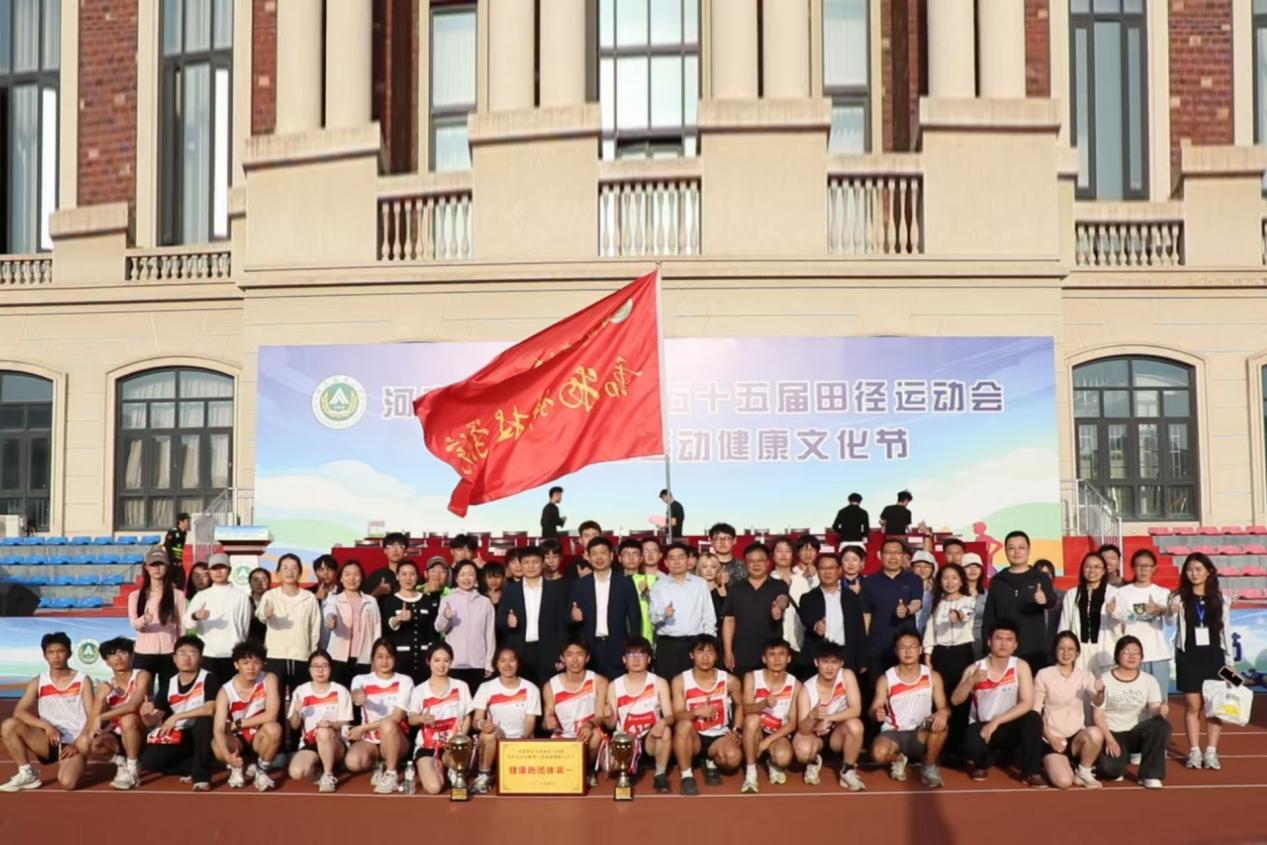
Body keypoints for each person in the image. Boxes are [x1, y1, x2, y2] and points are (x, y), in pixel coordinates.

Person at [952, 619, 1045, 787]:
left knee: (1032, 718)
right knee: (970, 742)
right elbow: (955, 700)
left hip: (1008, 724)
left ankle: (1032, 772)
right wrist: (971, 682)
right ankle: (982, 764)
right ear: (989, 642)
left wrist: (996, 722)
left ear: (1015, 645)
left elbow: (1027, 702)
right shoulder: (975, 668)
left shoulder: (1020, 666)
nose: (1003, 644)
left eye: (1009, 640)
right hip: (984, 727)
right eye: (999, 638)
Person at [0, 632, 97, 792]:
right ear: (45, 656)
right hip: (48, 741)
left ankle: (76, 762)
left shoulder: (82, 680)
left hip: (73, 742)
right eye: (51, 652)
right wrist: (46, 726)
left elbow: (93, 716)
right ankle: (27, 774)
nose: (56, 656)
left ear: (69, 653)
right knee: (9, 725)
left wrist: (78, 743)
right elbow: (19, 711)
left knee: (68, 783)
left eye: (60, 651)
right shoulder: (39, 681)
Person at [1173, 552, 1232, 771]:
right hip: (1189, 656)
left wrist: (1230, 663)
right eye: (1189, 570)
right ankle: (1194, 751)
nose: (1194, 574)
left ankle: (1211, 752)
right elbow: (1169, 621)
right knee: (1192, 705)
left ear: (1208, 572)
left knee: (1214, 707)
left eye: (1198, 569)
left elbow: (1226, 631)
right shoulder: (1178, 598)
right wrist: (1169, 611)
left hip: (1214, 657)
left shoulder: (1221, 599)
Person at [870, 631, 950, 788]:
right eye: (903, 647)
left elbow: (944, 708)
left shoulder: (932, 676)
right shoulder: (886, 679)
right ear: (896, 651)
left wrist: (942, 713)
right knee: (878, 754)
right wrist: (876, 713)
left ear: (920, 650)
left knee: (941, 723)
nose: (908, 651)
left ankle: (929, 766)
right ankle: (898, 759)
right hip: (893, 734)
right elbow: (873, 709)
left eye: (912, 647)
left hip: (921, 732)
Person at [138, 634, 218, 792]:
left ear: (200, 658)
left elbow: (211, 708)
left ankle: (201, 778)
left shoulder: (209, 678)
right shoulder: (170, 682)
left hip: (204, 734)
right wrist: (145, 714)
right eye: (182, 653)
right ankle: (197, 764)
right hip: (179, 735)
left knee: (205, 721)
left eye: (193, 653)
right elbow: (154, 719)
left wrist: (177, 716)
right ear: (174, 659)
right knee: (149, 761)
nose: (187, 658)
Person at [1092, 635, 1172, 789]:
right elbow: (1098, 714)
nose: (1132, 656)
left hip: (1136, 732)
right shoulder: (1105, 679)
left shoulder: (1149, 680)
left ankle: (1150, 775)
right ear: (1117, 656)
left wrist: (1160, 710)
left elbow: (1154, 708)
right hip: (1112, 733)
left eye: (1136, 653)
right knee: (1111, 771)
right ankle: (1111, 763)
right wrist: (1109, 739)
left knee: (1161, 725)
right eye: (1126, 652)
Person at [671, 634, 743, 795]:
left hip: (718, 735)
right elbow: (677, 716)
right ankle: (687, 776)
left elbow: (740, 705)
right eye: (700, 652)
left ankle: (711, 761)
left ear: (717, 656)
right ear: (691, 655)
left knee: (733, 758)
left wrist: (737, 729)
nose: (705, 657)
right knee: (683, 725)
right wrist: (697, 712)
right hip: (693, 737)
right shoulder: (680, 681)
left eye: (710, 652)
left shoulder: (730, 681)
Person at [1033, 632, 1104, 789]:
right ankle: (1048, 765)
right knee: (1064, 782)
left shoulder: (1085, 675)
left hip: (1076, 736)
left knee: (1096, 733)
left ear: (1077, 653)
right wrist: (1051, 738)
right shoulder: (1044, 674)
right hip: (1051, 736)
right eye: (1061, 649)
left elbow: (1097, 701)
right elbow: (1035, 712)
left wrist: (1100, 692)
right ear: (1055, 651)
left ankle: (1084, 771)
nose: (1066, 653)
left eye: (1071, 649)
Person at [980, 531, 1057, 672]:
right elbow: (989, 616)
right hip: (1004, 650)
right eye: (1011, 548)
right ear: (1005, 551)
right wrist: (986, 647)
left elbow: (1052, 599)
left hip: (1034, 649)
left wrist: (1044, 600)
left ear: (1028, 550)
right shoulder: (998, 580)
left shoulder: (1040, 577)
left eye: (1021, 547)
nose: (1016, 552)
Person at [605, 636, 674, 793]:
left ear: (649, 659)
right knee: (613, 766)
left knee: (666, 731)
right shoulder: (614, 685)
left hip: (650, 738)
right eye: (631, 655)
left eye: (641, 655)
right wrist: (607, 715)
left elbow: (670, 716)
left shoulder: (659, 682)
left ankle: (660, 774)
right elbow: (610, 724)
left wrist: (663, 722)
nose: (636, 659)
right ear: (624, 659)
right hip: (626, 740)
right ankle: (627, 770)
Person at [793, 642, 866, 790]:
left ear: (841, 664)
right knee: (803, 751)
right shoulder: (807, 689)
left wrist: (828, 718)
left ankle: (848, 770)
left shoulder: (847, 675)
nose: (830, 667)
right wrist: (812, 716)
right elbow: (803, 728)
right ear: (816, 663)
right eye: (825, 662)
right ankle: (814, 761)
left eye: (834, 662)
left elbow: (856, 709)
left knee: (855, 725)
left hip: (838, 733)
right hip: (815, 735)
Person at [211, 640, 282, 791]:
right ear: (236, 665)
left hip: (258, 737)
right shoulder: (225, 691)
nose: (251, 667)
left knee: (274, 729)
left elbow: (272, 715)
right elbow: (218, 728)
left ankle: (261, 771)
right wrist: (227, 757)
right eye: (245, 663)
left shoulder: (269, 679)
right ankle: (236, 767)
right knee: (217, 744)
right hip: (236, 740)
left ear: (263, 663)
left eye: (256, 662)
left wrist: (238, 723)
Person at [346, 639, 414, 794]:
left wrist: (362, 728)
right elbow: (356, 692)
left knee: (388, 724)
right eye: (380, 656)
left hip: (396, 739)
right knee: (353, 762)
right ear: (373, 659)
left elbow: (397, 717)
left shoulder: (405, 681)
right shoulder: (361, 679)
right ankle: (378, 765)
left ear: (395, 659)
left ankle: (391, 774)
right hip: (370, 741)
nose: (384, 661)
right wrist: (356, 695)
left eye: (389, 656)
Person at [569, 536, 643, 679]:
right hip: (589, 648)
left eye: (603, 553)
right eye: (594, 553)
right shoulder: (579, 585)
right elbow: (568, 618)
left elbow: (635, 617)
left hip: (617, 647)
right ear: (588, 557)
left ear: (611, 556)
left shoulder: (625, 583)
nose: (599, 557)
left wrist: (633, 649)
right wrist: (572, 617)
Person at [471, 646, 542, 794]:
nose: (507, 665)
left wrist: (521, 741)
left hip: (522, 742)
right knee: (489, 733)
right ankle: (484, 775)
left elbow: (530, 721)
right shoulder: (486, 687)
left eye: (512, 660)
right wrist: (482, 724)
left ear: (518, 663)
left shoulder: (531, 688)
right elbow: (476, 720)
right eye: (502, 661)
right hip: (497, 739)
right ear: (496, 664)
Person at [258, 553, 322, 714]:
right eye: (285, 568)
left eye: (294, 568)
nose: (289, 571)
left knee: (299, 702)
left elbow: (315, 628)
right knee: (275, 701)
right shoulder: (270, 595)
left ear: (300, 572)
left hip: (301, 656)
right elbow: (260, 615)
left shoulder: (309, 598)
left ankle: (298, 731)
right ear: (278, 573)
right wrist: (266, 613)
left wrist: (312, 654)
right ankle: (276, 730)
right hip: (275, 656)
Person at [922, 562, 977, 752]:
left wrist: (958, 615)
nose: (950, 582)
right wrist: (927, 655)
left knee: (961, 697)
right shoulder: (936, 603)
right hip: (940, 654)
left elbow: (967, 614)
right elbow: (930, 631)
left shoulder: (969, 600)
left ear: (961, 581)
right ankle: (939, 746)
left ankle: (959, 748)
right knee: (940, 698)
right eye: (945, 578)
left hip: (962, 653)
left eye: (954, 578)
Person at [406, 642, 473, 795]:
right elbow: (411, 719)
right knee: (434, 788)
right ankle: (439, 767)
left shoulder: (461, 686)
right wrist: (421, 718)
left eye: (446, 660)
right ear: (428, 661)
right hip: (428, 746)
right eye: (436, 660)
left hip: (454, 745)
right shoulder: (419, 690)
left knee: (459, 758)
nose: (441, 665)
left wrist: (459, 739)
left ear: (451, 662)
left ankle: (453, 769)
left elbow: (467, 716)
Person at [1108, 549, 1175, 698]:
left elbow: (1170, 621)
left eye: (1147, 566)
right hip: (1131, 655)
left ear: (1154, 568)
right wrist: (1113, 613)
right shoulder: (1122, 592)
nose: (1143, 570)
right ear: (1133, 567)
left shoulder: (1162, 592)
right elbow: (1118, 621)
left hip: (1157, 654)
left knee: (1159, 700)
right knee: (1134, 700)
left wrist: (1160, 610)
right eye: (1139, 566)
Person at [497, 545, 568, 685]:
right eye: (526, 562)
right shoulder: (511, 590)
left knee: (547, 692)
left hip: (548, 651)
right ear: (521, 564)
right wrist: (507, 621)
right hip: (519, 651)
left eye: (535, 562)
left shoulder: (555, 590)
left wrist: (560, 654)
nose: (531, 566)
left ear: (543, 564)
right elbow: (500, 619)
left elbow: (561, 625)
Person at [861, 538, 925, 689]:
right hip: (877, 649)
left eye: (897, 553)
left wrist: (907, 610)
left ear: (903, 556)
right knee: (878, 692)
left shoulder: (914, 579)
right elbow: (866, 615)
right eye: (888, 553)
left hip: (906, 649)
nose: (893, 556)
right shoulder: (869, 582)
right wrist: (864, 645)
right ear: (880, 555)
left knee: (905, 692)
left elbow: (917, 602)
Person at [649, 541, 717, 682]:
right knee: (668, 685)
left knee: (695, 685)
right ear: (666, 562)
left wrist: (708, 646)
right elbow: (652, 618)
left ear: (688, 560)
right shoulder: (658, 586)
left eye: (681, 557)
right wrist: (664, 614)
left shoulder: (700, 584)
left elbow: (709, 616)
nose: (676, 562)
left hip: (695, 644)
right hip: (668, 646)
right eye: (672, 558)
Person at [544, 637, 609, 784]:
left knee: (596, 734)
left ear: (587, 657)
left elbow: (600, 717)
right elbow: (546, 719)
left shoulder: (599, 681)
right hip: (562, 739)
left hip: (586, 735)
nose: (575, 660)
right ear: (562, 658)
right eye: (569, 655)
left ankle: (588, 770)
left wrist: (589, 724)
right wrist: (548, 722)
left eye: (580, 654)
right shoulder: (550, 685)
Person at [286, 650, 353, 793]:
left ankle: (328, 775)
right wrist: (296, 711)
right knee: (297, 772)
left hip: (335, 741)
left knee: (323, 732)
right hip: (311, 742)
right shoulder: (301, 691)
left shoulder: (340, 690)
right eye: (315, 666)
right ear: (309, 669)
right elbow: (294, 725)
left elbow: (346, 723)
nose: (320, 670)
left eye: (324, 666)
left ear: (331, 668)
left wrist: (331, 725)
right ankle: (320, 768)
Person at [88, 637, 150, 790]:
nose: (118, 658)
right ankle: (121, 763)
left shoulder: (141, 675)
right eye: (112, 655)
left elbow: (133, 706)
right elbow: (93, 721)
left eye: (123, 653)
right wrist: (100, 697)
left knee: (128, 719)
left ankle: (133, 772)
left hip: (141, 733)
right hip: (118, 736)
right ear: (107, 662)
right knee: (89, 743)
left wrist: (102, 717)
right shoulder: (107, 686)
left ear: (131, 655)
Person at [722, 543, 791, 679]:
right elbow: (729, 620)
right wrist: (728, 651)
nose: (756, 565)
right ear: (745, 564)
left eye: (760, 560)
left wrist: (780, 607)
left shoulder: (779, 585)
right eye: (751, 561)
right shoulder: (736, 588)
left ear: (767, 563)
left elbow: (783, 599)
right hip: (742, 654)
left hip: (771, 655)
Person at [739, 638, 800, 793]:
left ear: (789, 658)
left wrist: (767, 741)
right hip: (755, 730)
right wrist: (763, 704)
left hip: (777, 734)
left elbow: (792, 723)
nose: (777, 659)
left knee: (783, 758)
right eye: (772, 654)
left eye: (781, 654)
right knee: (752, 719)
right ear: (764, 659)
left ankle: (772, 761)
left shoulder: (795, 684)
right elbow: (746, 709)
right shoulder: (752, 677)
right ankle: (751, 772)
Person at [183, 553, 253, 681]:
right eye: (214, 568)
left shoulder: (242, 596)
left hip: (233, 655)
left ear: (229, 570)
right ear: (209, 572)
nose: (218, 572)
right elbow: (187, 622)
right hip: (208, 655)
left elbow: (244, 627)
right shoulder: (202, 596)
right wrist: (196, 616)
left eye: (222, 567)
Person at [128, 546, 188, 695]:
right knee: (142, 695)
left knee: (168, 695)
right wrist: (145, 619)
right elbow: (134, 624)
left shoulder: (177, 595)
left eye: (160, 564)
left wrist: (180, 650)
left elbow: (182, 626)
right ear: (146, 567)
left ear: (167, 567)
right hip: (144, 653)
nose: (157, 568)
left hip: (169, 653)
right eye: (153, 565)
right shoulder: (136, 596)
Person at [797, 553, 866, 676]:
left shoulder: (851, 597)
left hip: (845, 655)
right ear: (817, 571)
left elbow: (859, 629)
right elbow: (807, 620)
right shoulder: (808, 598)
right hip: (818, 656)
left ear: (839, 570)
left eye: (831, 568)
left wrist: (862, 659)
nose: (827, 572)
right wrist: (816, 626)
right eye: (823, 568)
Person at [435, 560, 496, 691]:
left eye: (470, 574)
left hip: (478, 664)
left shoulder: (485, 602)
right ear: (456, 578)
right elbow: (439, 628)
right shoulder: (448, 599)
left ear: (476, 577)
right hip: (454, 664)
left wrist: (489, 662)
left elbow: (490, 635)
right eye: (462, 575)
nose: (466, 578)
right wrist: (446, 617)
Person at [322, 560, 383, 689]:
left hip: (364, 658)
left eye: (356, 574)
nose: (352, 578)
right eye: (347, 574)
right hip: (337, 658)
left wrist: (376, 657)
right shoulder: (334, 599)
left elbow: (377, 631)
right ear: (341, 578)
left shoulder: (371, 601)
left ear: (362, 577)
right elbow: (329, 611)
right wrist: (330, 619)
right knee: (339, 695)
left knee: (361, 695)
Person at [1059, 552, 1119, 676]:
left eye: (1097, 567)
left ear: (1104, 571)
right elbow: (1064, 624)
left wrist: (1115, 612)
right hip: (1079, 650)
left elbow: (1124, 619)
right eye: (1088, 566)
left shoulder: (1114, 593)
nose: (1092, 570)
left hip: (1105, 649)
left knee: (1105, 685)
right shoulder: (1072, 594)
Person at [381, 560, 437, 683]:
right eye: (404, 574)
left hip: (424, 660)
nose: (408, 578)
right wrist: (397, 620)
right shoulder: (389, 601)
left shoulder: (427, 601)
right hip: (399, 660)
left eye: (412, 574)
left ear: (417, 576)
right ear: (397, 576)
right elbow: (386, 627)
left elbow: (432, 632)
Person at [769, 538, 812, 665]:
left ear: (793, 555)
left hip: (798, 640)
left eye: (787, 551)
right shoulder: (767, 581)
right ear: (772, 555)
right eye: (779, 551)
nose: (783, 555)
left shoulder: (801, 581)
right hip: (773, 643)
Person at [364, 532, 409, 599]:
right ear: (385, 551)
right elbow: (364, 602)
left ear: (406, 551)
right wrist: (377, 593)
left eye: (400, 546)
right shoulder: (377, 575)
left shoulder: (413, 575)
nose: (395, 550)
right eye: (391, 546)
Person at [962, 552, 989, 655]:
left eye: (977, 566)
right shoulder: (954, 593)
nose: (973, 570)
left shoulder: (986, 594)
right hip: (960, 639)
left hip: (981, 640)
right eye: (968, 566)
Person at [911, 550, 937, 635]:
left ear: (932, 569)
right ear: (912, 568)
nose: (922, 570)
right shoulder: (905, 587)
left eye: (927, 566)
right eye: (918, 566)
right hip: (912, 631)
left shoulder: (937, 589)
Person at [697, 552, 727, 621]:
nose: (709, 570)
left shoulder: (726, 589)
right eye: (704, 567)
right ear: (699, 569)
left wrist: (724, 596)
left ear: (718, 570)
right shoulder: (694, 590)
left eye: (713, 567)